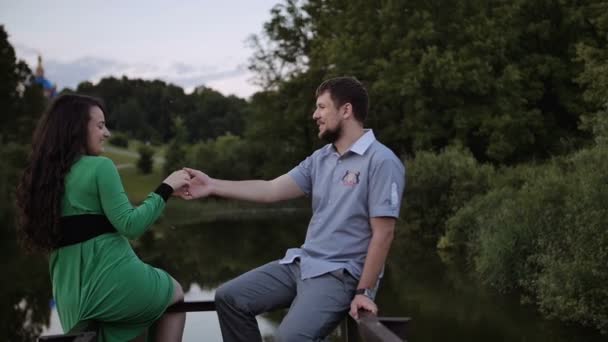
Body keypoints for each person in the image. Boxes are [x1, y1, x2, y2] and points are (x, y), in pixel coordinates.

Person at [179, 76, 406, 341]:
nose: (315, 115)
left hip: (338, 276)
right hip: (302, 264)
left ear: (346, 110)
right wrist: (211, 186)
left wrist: (363, 292)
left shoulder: (382, 161)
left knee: (289, 339)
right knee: (230, 298)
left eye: (322, 107)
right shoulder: (321, 159)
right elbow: (271, 189)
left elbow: (383, 233)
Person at [16, 94, 190, 342]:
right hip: (114, 283)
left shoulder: (44, 179)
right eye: (100, 126)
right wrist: (167, 187)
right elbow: (131, 225)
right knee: (174, 292)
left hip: (72, 298)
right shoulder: (101, 167)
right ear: (77, 129)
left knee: (115, 330)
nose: (106, 133)